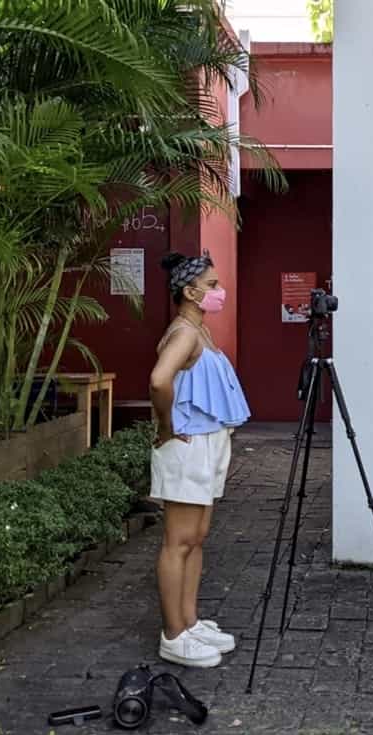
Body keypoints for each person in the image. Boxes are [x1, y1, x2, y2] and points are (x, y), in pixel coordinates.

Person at [149, 252, 251, 668]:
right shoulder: (184, 334)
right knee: (179, 541)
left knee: (197, 536)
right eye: (211, 286)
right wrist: (166, 426)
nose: (218, 292)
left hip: (207, 441)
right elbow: (158, 379)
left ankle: (189, 622)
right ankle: (173, 635)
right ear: (189, 292)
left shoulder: (198, 330)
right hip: (188, 445)